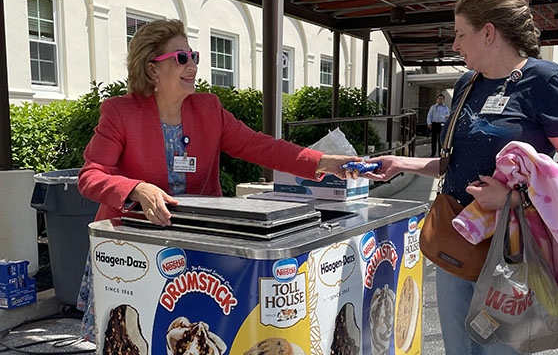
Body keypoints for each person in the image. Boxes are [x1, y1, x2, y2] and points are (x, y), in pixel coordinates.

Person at [75, 19, 360, 342]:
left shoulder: (208, 109)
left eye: (193, 56)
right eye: (181, 58)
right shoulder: (119, 112)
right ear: (152, 69)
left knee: (194, 338)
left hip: (199, 247)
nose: (193, 65)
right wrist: (135, 189)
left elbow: (262, 147)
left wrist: (322, 162)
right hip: (134, 253)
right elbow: (91, 175)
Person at [364, 0, 558, 355]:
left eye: (460, 34)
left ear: (488, 32)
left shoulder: (547, 82)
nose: (455, 46)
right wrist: (400, 163)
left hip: (513, 254)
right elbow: (454, 162)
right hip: (456, 243)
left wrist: (512, 197)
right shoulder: (466, 84)